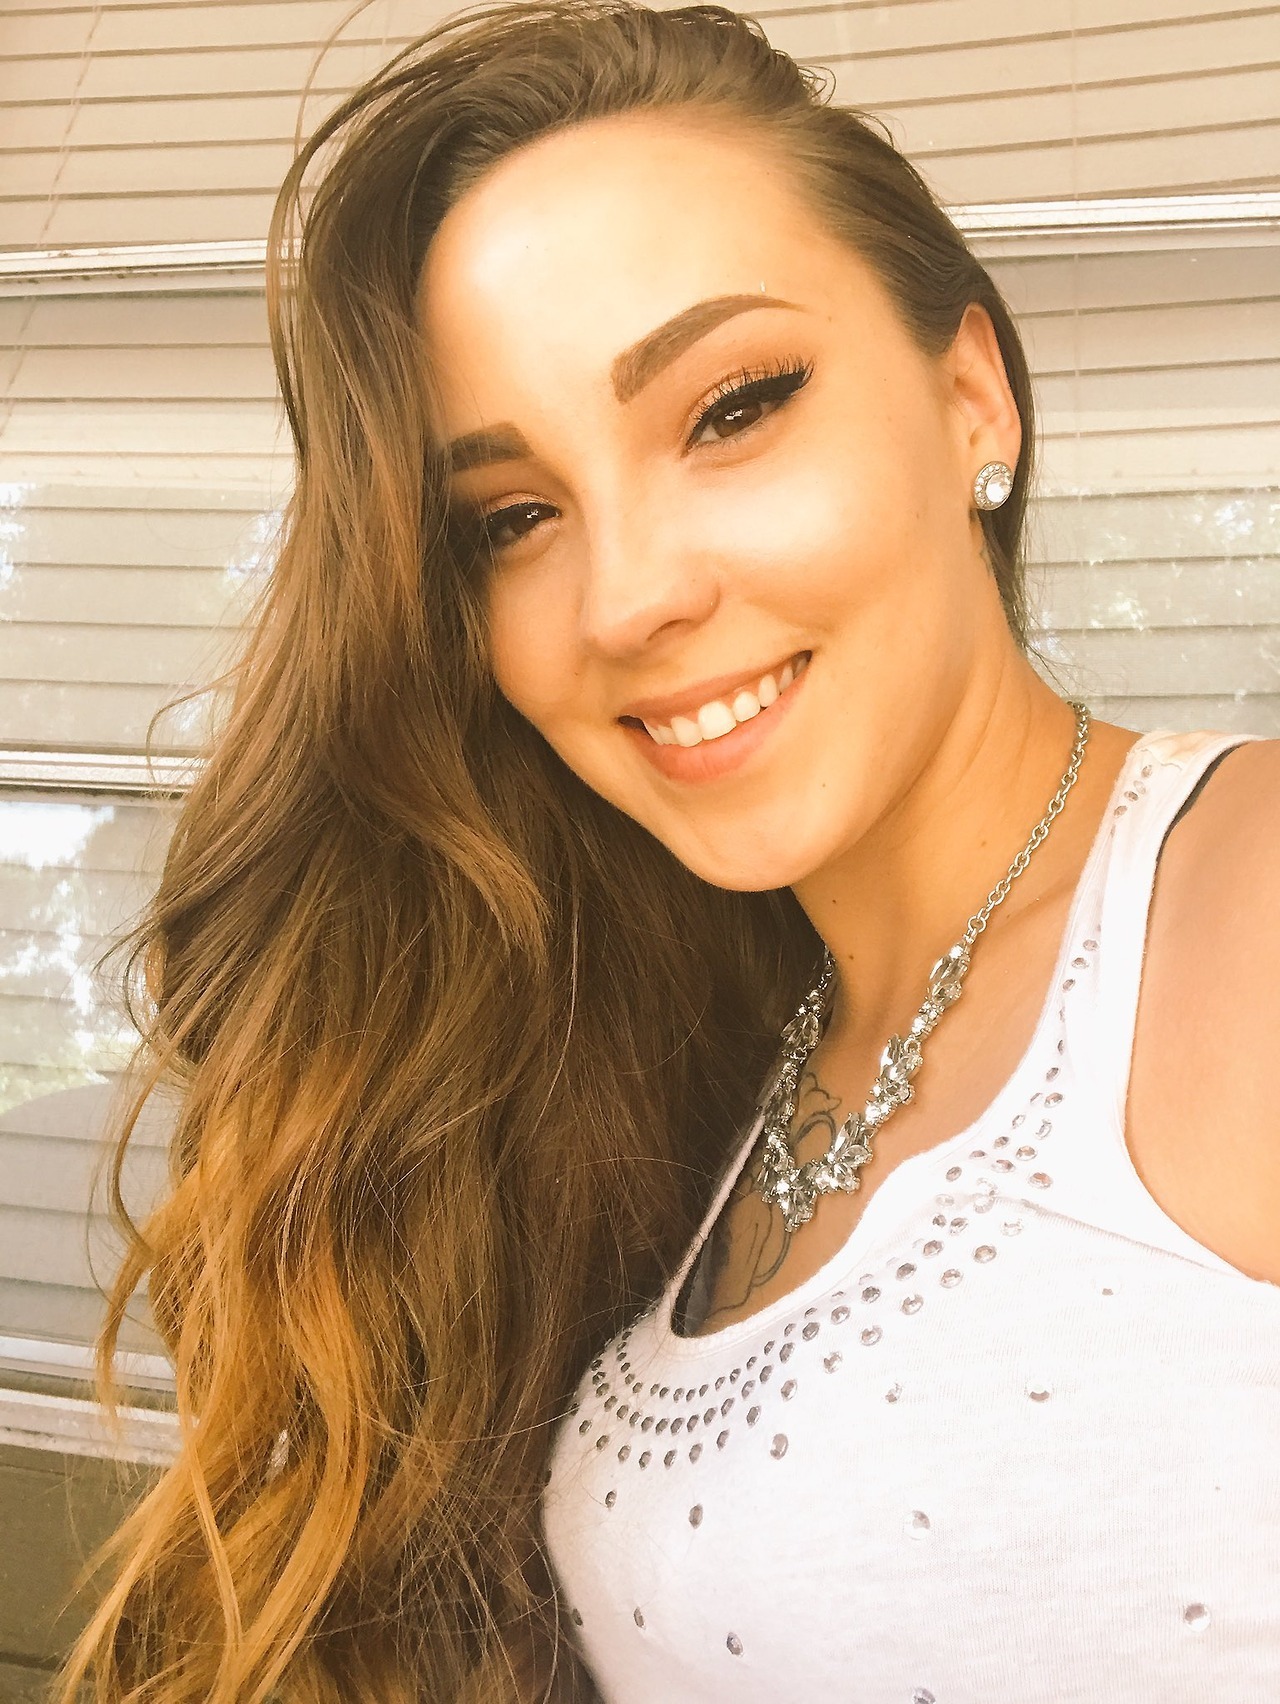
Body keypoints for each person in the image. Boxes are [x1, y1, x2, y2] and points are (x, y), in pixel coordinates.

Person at [63, 3, 1280, 1701]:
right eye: (513, 518)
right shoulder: (705, 1058)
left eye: (733, 408)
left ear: (969, 398)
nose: (628, 597)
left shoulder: (1242, 903)